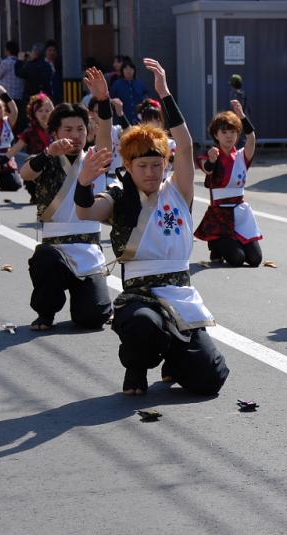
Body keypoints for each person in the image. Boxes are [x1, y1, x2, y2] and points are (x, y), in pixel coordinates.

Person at [74, 58, 229, 396]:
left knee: (210, 380)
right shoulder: (120, 196)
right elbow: (86, 212)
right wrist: (84, 183)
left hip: (180, 296)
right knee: (145, 325)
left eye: (156, 164)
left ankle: (174, 356)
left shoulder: (179, 191)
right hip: (140, 297)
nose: (150, 172)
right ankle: (136, 367)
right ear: (128, 166)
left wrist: (165, 94)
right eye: (142, 165)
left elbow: (185, 146)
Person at [19, 68, 113, 331]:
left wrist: (103, 100)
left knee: (92, 318)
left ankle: (95, 301)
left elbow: (105, 130)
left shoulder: (97, 158)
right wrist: (48, 153)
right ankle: (45, 312)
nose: (75, 134)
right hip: (55, 251)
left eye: (81, 128)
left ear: (88, 131)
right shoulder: (47, 159)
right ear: (55, 132)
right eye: (68, 129)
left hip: (88, 251)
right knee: (44, 260)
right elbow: (25, 172)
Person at [194, 99, 262, 267]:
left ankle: (231, 244)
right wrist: (211, 160)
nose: (229, 136)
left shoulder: (241, 156)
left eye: (233, 132)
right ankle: (215, 244)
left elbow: (251, 139)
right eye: (224, 132)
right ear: (216, 135)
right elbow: (207, 169)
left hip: (240, 214)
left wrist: (242, 116)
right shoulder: (211, 154)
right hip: (220, 217)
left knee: (255, 260)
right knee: (237, 259)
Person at [7, 93, 54, 203]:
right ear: (34, 113)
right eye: (40, 111)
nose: (44, 114)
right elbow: (14, 150)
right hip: (37, 164)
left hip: (55, 164)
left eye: (47, 111)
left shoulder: (58, 129)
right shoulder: (29, 132)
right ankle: (35, 194)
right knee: (28, 165)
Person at [0, 41, 25, 127]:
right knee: (17, 120)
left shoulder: (5, 62)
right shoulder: (21, 62)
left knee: (7, 121)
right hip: (19, 96)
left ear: (7, 51)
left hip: (7, 96)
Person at [109, 58, 148, 125]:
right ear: (122, 71)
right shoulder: (117, 84)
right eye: (126, 68)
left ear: (134, 70)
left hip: (138, 120)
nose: (128, 71)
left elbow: (145, 98)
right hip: (121, 120)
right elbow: (110, 99)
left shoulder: (140, 83)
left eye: (131, 68)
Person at [44, 40, 63, 104]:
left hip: (58, 97)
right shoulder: (41, 65)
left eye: (54, 50)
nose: (52, 52)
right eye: (50, 50)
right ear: (45, 52)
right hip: (45, 97)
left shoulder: (60, 64)